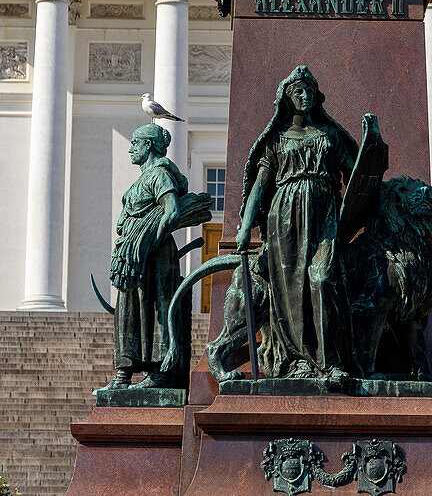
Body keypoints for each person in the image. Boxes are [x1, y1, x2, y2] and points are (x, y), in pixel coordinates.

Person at [237, 66, 360, 387]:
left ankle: (330, 361)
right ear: (287, 99)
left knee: (322, 278)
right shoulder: (276, 141)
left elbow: (358, 174)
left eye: (308, 91)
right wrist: (245, 226)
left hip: (323, 216)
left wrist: (371, 143)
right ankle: (299, 360)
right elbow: (260, 185)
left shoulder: (329, 136)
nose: (304, 97)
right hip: (285, 217)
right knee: (290, 289)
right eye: (297, 92)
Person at [101, 123, 212, 391]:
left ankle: (161, 372)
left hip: (155, 252)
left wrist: (149, 240)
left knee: (159, 308)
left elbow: (171, 212)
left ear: (148, 145)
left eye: (135, 144)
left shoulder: (160, 175)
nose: (130, 149)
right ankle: (124, 372)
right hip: (134, 256)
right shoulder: (142, 178)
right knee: (128, 311)